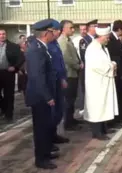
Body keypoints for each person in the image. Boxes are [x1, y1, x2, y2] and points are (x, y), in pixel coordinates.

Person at [25, 19, 57, 169]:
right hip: (39, 97)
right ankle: (41, 159)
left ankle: (46, 152)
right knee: (41, 128)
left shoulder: (41, 47)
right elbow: (37, 76)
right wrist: (48, 96)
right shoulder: (36, 49)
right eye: (52, 31)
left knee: (46, 126)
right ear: (46, 33)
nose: (54, 34)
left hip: (43, 94)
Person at [84, 25, 119, 140]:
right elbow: (98, 65)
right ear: (102, 36)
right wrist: (112, 65)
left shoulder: (102, 47)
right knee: (97, 107)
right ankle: (97, 132)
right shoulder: (93, 48)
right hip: (96, 83)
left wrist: (111, 64)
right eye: (107, 37)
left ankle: (104, 128)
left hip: (103, 82)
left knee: (104, 105)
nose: (108, 39)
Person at [47, 19, 69, 144]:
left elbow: (60, 63)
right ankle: (50, 137)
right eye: (57, 30)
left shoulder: (55, 43)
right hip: (54, 81)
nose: (59, 32)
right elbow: (53, 66)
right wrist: (61, 78)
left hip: (60, 79)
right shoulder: (48, 45)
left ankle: (54, 134)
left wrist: (63, 77)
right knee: (53, 111)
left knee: (59, 109)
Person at [58, 20, 83, 130]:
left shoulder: (68, 40)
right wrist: (78, 65)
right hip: (68, 74)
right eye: (71, 28)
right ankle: (68, 123)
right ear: (63, 29)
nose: (73, 30)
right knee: (68, 100)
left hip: (72, 73)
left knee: (72, 99)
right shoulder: (63, 41)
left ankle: (71, 119)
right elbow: (66, 58)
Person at [0, 29, 22, 122]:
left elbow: (21, 58)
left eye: (4, 34)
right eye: (0, 34)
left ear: (6, 35)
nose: (2, 36)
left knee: (9, 94)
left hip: (8, 73)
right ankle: (4, 107)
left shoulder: (13, 46)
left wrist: (15, 67)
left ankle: (9, 115)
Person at [78, 19, 98, 114]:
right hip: (88, 70)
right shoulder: (84, 40)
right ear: (90, 28)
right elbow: (84, 56)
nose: (97, 28)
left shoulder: (97, 38)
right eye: (95, 26)